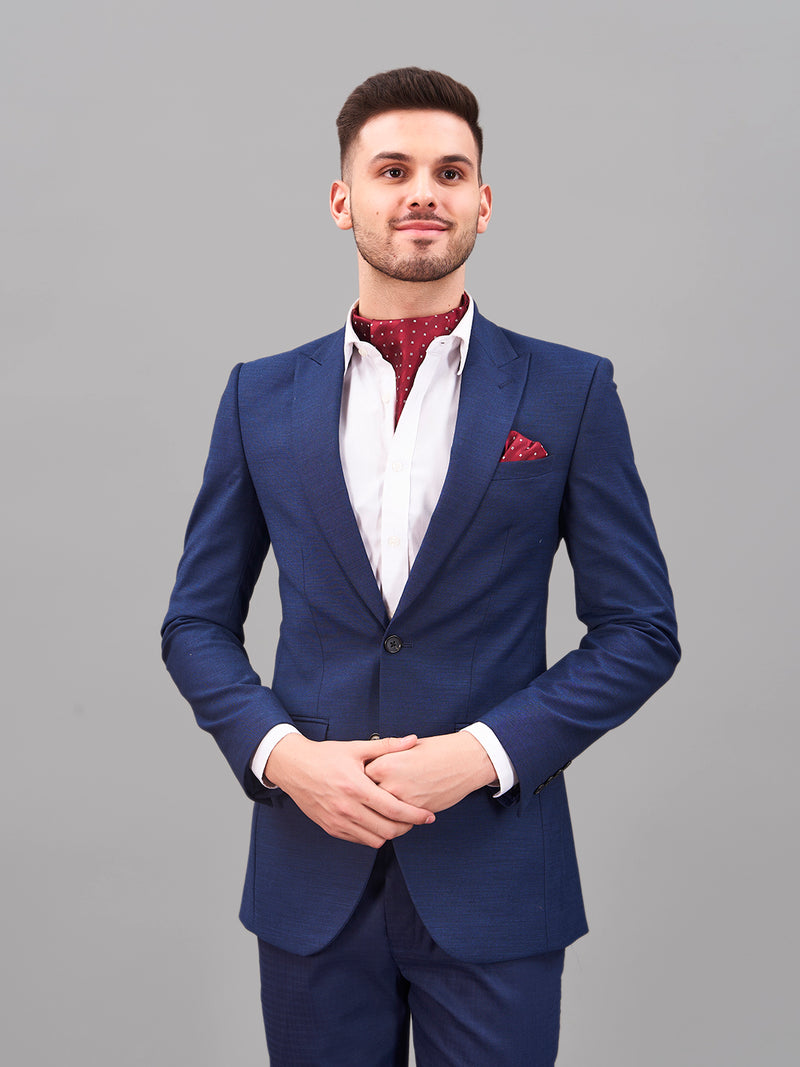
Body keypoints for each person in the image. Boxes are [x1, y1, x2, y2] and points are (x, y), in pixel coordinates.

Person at [162, 67, 680, 1066]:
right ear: (341, 198)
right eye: (391, 168)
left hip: (495, 873)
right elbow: (194, 622)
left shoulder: (568, 392)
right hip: (309, 876)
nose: (421, 192)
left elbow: (639, 630)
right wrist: (284, 758)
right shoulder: (258, 397)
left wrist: (481, 751)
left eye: (449, 171)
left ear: (482, 201)